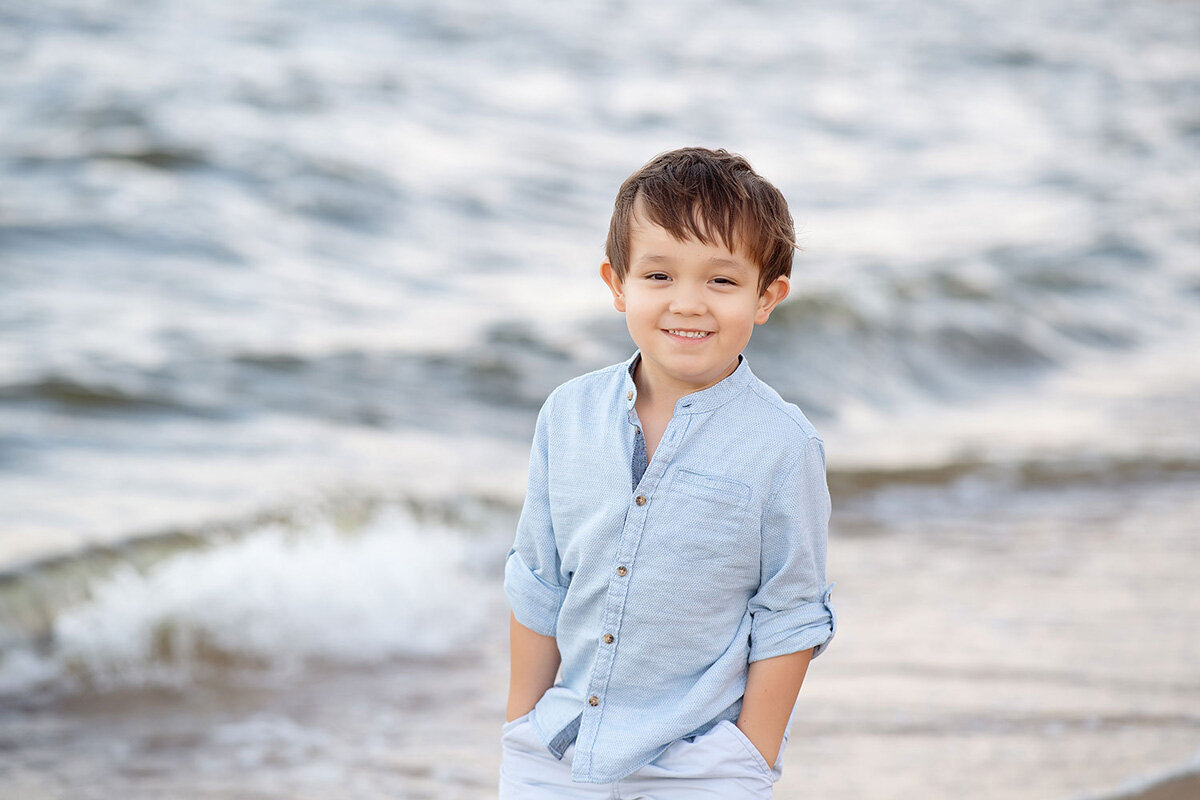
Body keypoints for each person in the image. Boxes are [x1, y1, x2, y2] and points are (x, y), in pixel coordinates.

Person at [500, 147, 836, 799]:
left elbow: (790, 613)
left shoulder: (782, 445)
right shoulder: (567, 415)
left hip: (702, 765)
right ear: (616, 282)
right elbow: (538, 579)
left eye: (721, 281)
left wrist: (749, 757)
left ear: (767, 298)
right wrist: (521, 729)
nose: (688, 303)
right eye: (658, 276)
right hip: (558, 753)